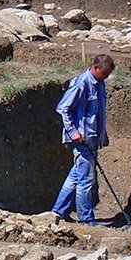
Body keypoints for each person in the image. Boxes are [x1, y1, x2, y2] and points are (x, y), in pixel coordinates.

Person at [51, 54, 115, 225]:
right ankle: (85, 220)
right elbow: (63, 109)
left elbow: (98, 112)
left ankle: (57, 212)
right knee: (85, 180)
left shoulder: (100, 84)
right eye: (105, 73)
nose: (106, 77)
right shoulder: (81, 84)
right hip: (82, 139)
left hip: (93, 137)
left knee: (76, 176)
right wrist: (73, 132)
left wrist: (102, 135)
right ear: (95, 68)